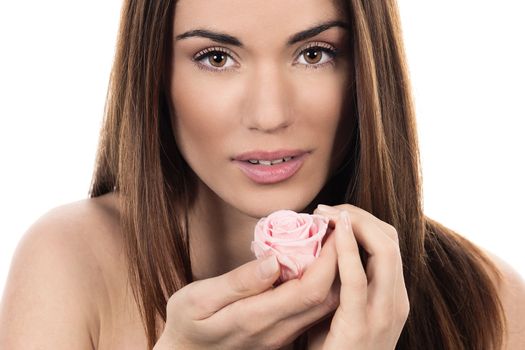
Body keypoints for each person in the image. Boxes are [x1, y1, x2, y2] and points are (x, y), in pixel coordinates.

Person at [1, 0, 524, 349]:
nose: (270, 113)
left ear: (365, 67)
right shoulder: (70, 262)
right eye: (216, 57)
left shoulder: (490, 304)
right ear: (155, 73)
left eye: (314, 53)